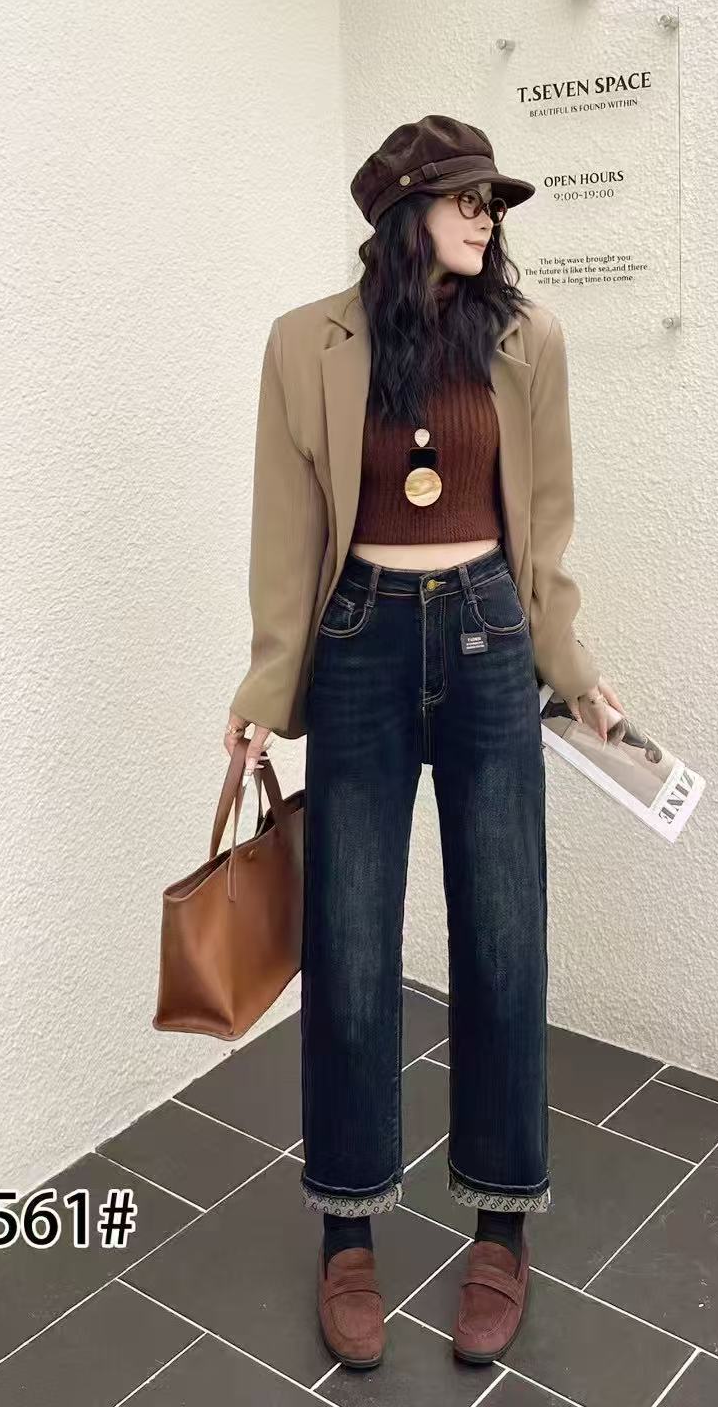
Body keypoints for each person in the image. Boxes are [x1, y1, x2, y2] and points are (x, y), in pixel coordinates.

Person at [224, 115, 623, 1370]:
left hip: (492, 634)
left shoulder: (527, 338)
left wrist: (578, 675)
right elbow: (288, 533)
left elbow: (545, 526)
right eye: (465, 199)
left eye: (493, 203)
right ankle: (347, 1229)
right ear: (404, 212)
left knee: (503, 935)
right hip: (360, 640)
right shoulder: (306, 343)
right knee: (348, 941)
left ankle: (502, 1228)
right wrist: (264, 684)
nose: (486, 218)